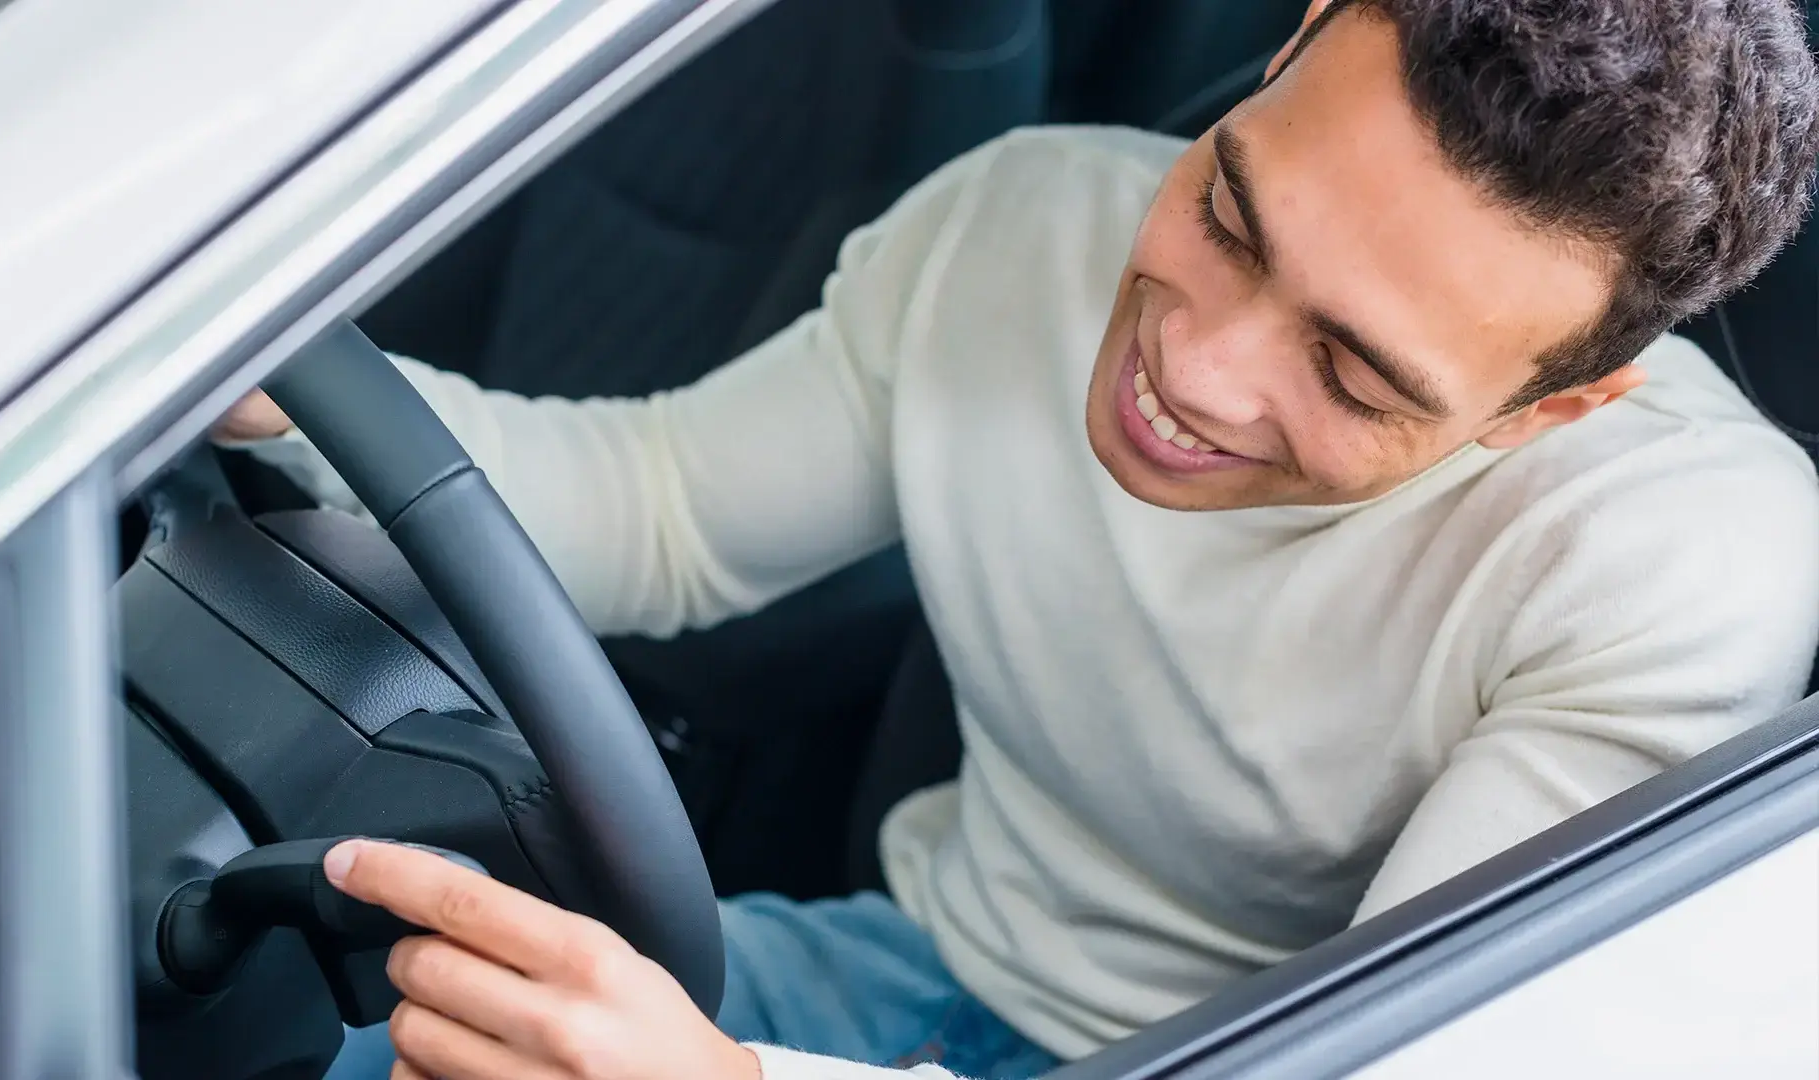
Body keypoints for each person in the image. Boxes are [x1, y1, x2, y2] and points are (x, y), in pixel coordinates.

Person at [220, 0, 1819, 1077]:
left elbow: (1383, 1055)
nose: (1190, 369)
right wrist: (269, 395)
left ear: (1553, 407)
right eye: (1228, 216)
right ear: (1299, 35)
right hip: (901, 974)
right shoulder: (1018, 225)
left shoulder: (1684, 565)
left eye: (1350, 370)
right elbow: (663, 512)